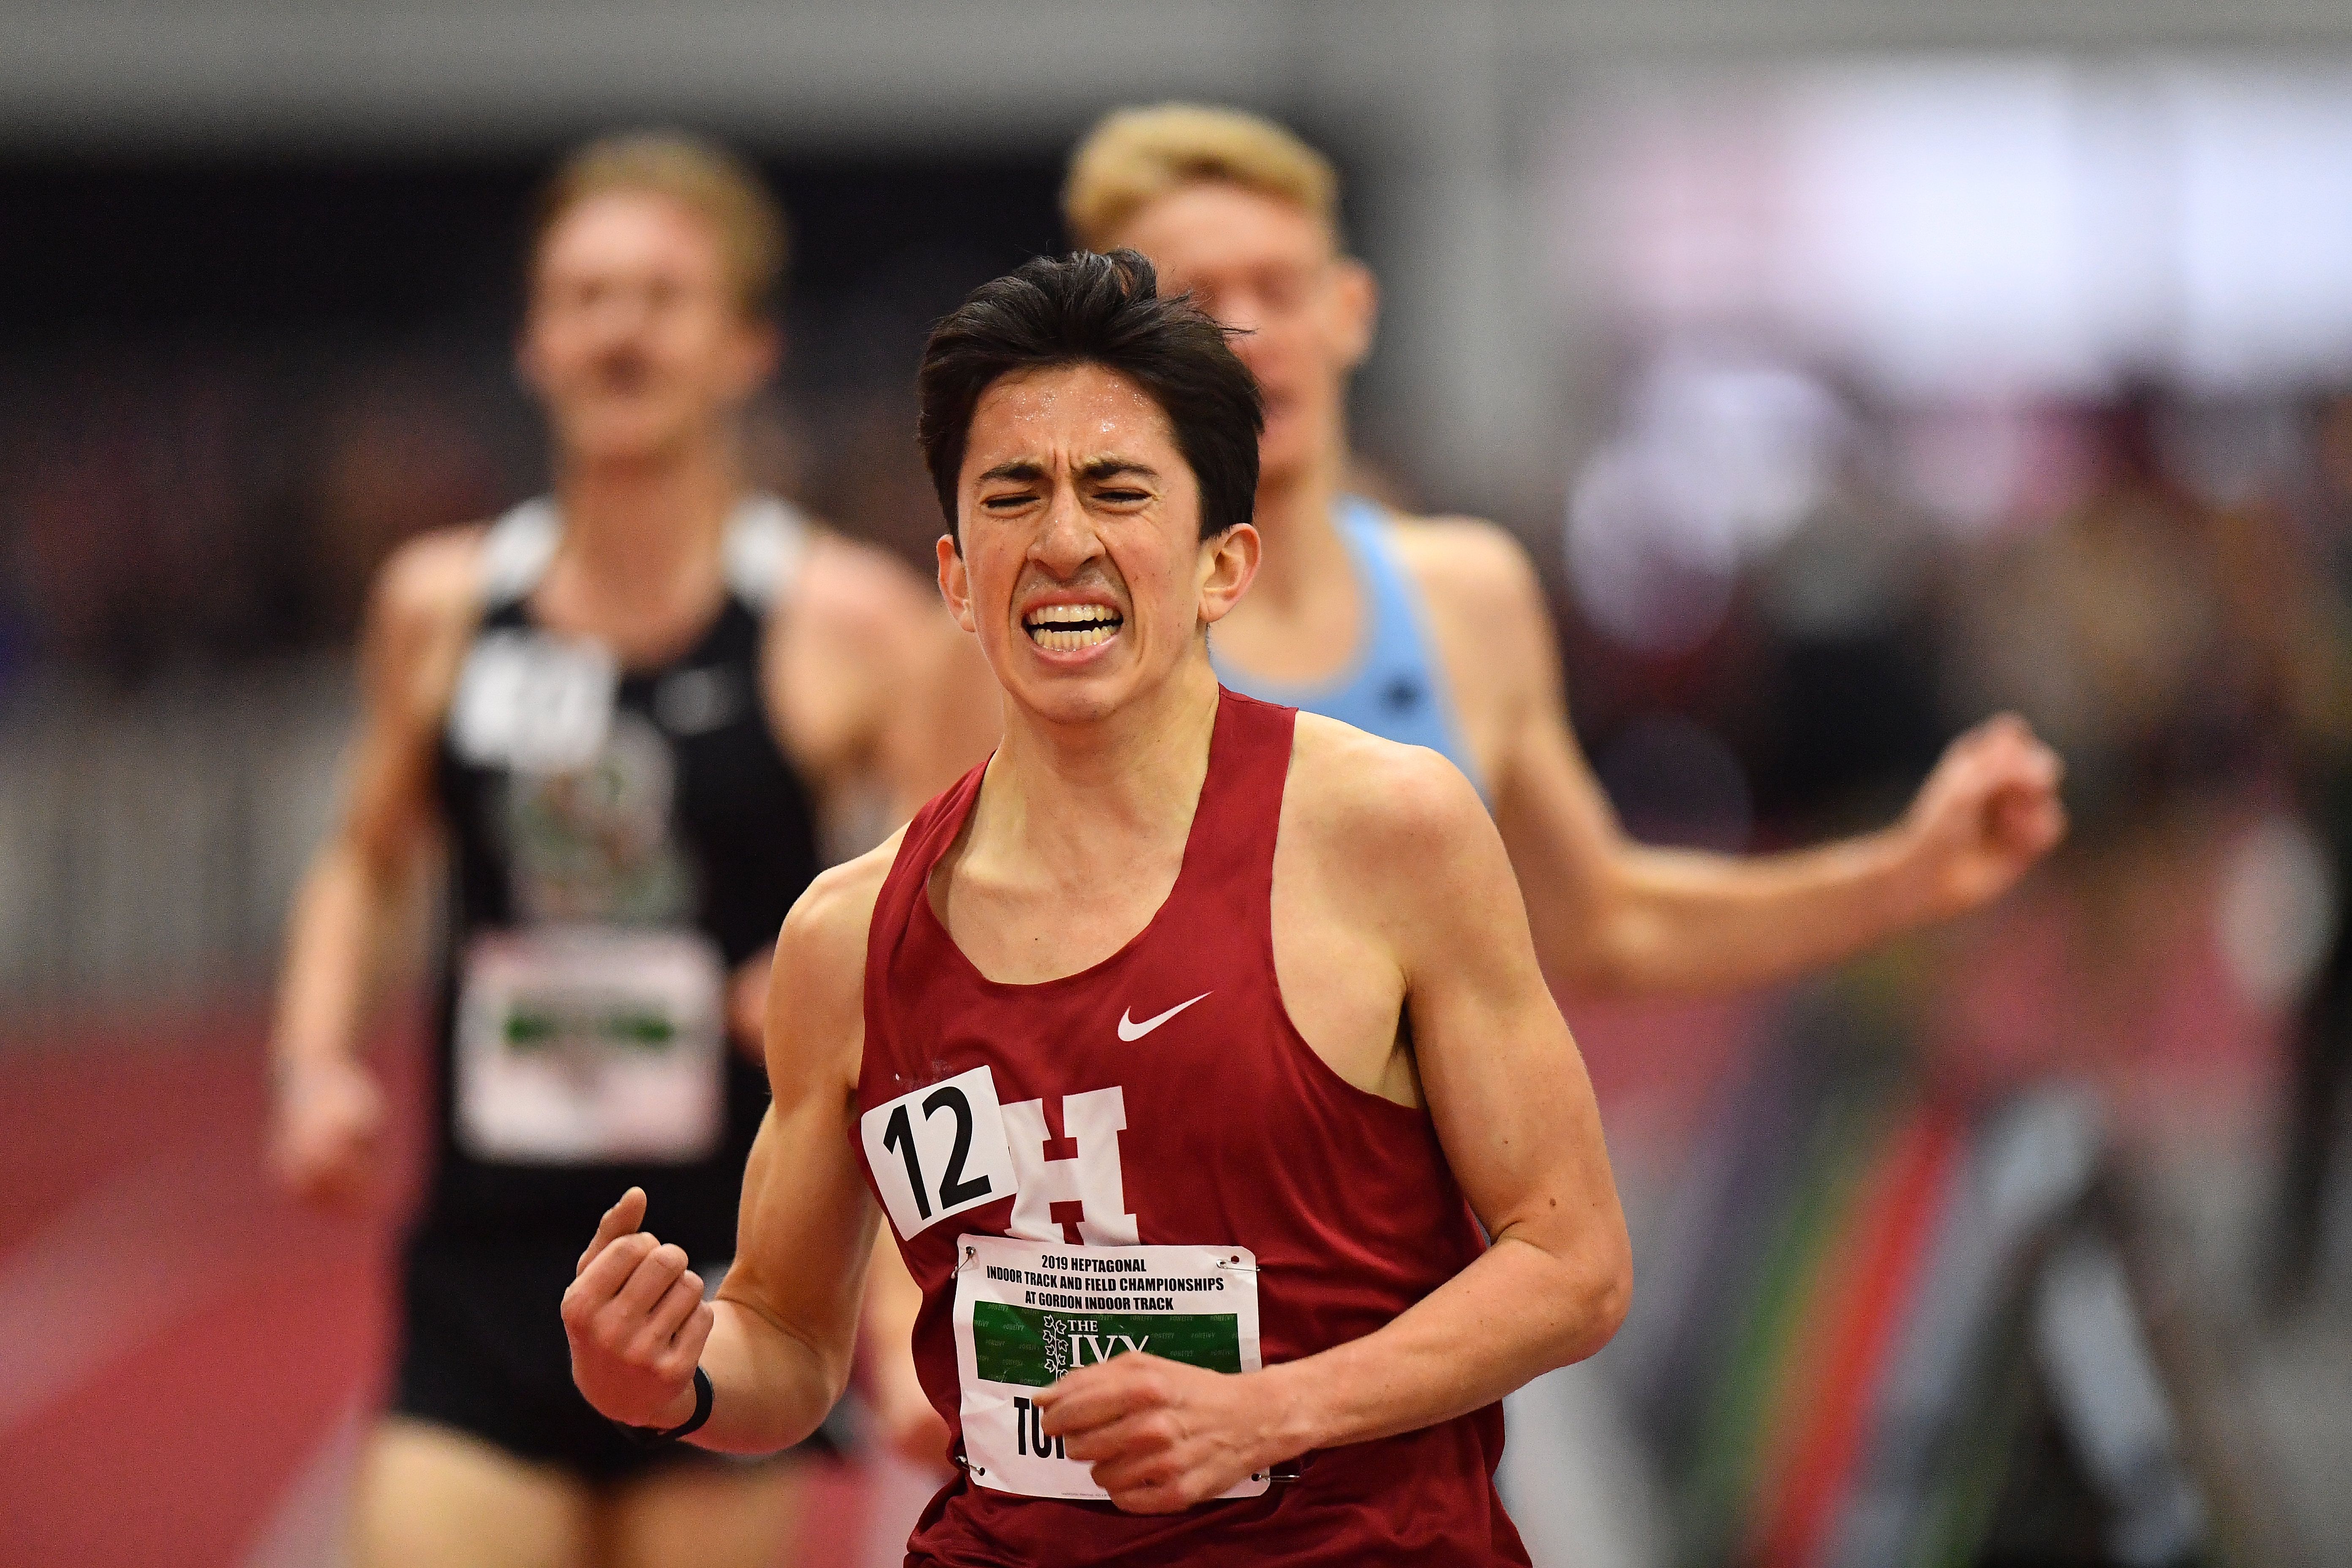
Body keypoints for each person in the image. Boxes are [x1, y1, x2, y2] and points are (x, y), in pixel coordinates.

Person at [563, 249, 1632, 1567]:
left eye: (1117, 491)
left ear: (1221, 564)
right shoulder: (847, 937)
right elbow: (783, 1337)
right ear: (958, 579)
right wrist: (663, 1382)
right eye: (1014, 496)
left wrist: (1265, 1414)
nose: (1063, 540)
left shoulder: (1385, 832)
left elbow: (1572, 1261)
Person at [267, 131, 982, 1568]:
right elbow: (364, 857)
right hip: (483, 1280)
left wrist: (809, 993)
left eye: (661, 296)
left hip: (723, 1282)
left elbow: (954, 921)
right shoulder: (444, 603)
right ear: (535, 342)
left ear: (743, 345)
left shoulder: (842, 624)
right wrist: (313, 1063)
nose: (620, 330)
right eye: (585, 297)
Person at [1063, 104, 2068, 993]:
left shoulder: (1465, 597)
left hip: (1427, 1207)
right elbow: (932, 981)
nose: (1246, 333)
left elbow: (1603, 920)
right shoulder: (1058, 623)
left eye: (1279, 287)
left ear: (1350, 311)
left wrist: (1903, 876)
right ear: (1118, 335)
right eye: (1195, 301)